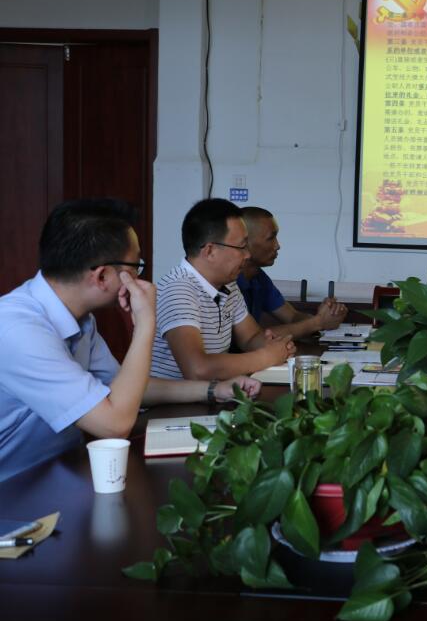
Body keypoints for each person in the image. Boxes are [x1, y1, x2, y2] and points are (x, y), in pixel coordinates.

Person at [0, 199, 260, 481]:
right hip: (13, 487)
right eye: (136, 265)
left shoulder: (81, 320)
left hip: (61, 470)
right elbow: (114, 424)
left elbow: (130, 388)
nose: (139, 277)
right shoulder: (18, 329)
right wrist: (146, 323)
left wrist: (214, 389)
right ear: (102, 276)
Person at [151, 198, 295, 381]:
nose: (247, 255)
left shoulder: (228, 284)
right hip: (171, 399)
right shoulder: (178, 290)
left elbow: (250, 337)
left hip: (215, 392)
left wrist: (275, 346)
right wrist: (266, 357)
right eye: (241, 247)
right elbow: (197, 369)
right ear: (210, 251)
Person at [237, 206, 348, 339]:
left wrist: (326, 317)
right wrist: (318, 322)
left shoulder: (258, 277)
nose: (277, 245)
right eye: (271, 238)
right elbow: (256, 338)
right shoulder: (228, 283)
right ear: (244, 243)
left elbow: (292, 316)